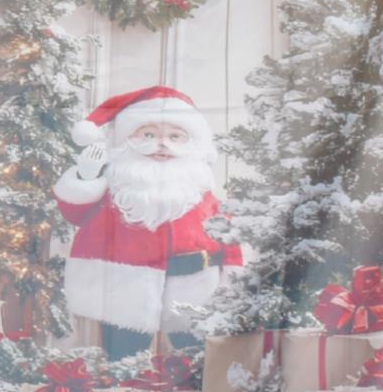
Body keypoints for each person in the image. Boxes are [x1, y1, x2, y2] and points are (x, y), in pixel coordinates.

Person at [52, 86, 247, 360]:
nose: (161, 143)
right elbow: (75, 214)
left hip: (195, 286)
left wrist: (232, 279)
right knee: (124, 359)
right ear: (128, 139)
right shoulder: (116, 188)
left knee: (198, 361)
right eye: (148, 134)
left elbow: (229, 236)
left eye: (175, 136)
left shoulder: (201, 192)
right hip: (125, 287)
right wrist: (86, 178)